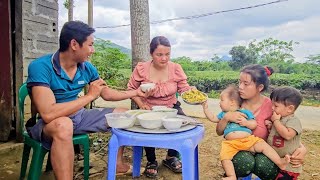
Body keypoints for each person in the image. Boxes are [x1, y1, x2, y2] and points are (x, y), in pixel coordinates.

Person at [26, 21, 149, 179]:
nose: (93, 50)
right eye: (90, 45)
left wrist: (135, 92)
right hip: (47, 124)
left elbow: (106, 93)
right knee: (64, 125)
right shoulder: (41, 67)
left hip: (79, 116)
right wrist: (89, 96)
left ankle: (118, 164)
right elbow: (48, 113)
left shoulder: (85, 67)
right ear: (74, 44)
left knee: (123, 115)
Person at [216, 64, 307, 178]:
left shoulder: (272, 106)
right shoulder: (235, 103)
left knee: (263, 165)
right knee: (244, 161)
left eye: (246, 83)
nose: (240, 87)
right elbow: (219, 132)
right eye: (239, 82)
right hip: (237, 150)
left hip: (262, 150)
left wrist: (302, 148)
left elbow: (287, 128)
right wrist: (226, 118)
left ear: (259, 87)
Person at [127, 36, 192, 178]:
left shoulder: (175, 68)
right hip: (149, 107)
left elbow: (183, 88)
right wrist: (141, 104)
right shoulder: (142, 68)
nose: (164, 58)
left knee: (182, 124)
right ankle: (151, 160)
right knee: (147, 127)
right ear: (151, 54)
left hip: (171, 106)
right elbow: (131, 88)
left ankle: (171, 157)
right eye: (159, 54)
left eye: (167, 54)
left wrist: (190, 91)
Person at [202, 85, 290, 180]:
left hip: (248, 140)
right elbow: (213, 118)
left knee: (263, 145)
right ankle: (232, 176)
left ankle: (280, 162)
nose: (220, 103)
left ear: (232, 102)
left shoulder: (244, 112)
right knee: (225, 158)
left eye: (222, 100)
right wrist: (205, 108)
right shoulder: (223, 114)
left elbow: (254, 124)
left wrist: (246, 123)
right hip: (231, 144)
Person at [268, 87, 303, 180]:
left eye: (275, 106)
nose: (272, 108)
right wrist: (270, 126)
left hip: (289, 166)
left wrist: (275, 121)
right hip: (278, 161)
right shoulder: (281, 119)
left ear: (290, 108)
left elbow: (287, 135)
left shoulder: (293, 121)